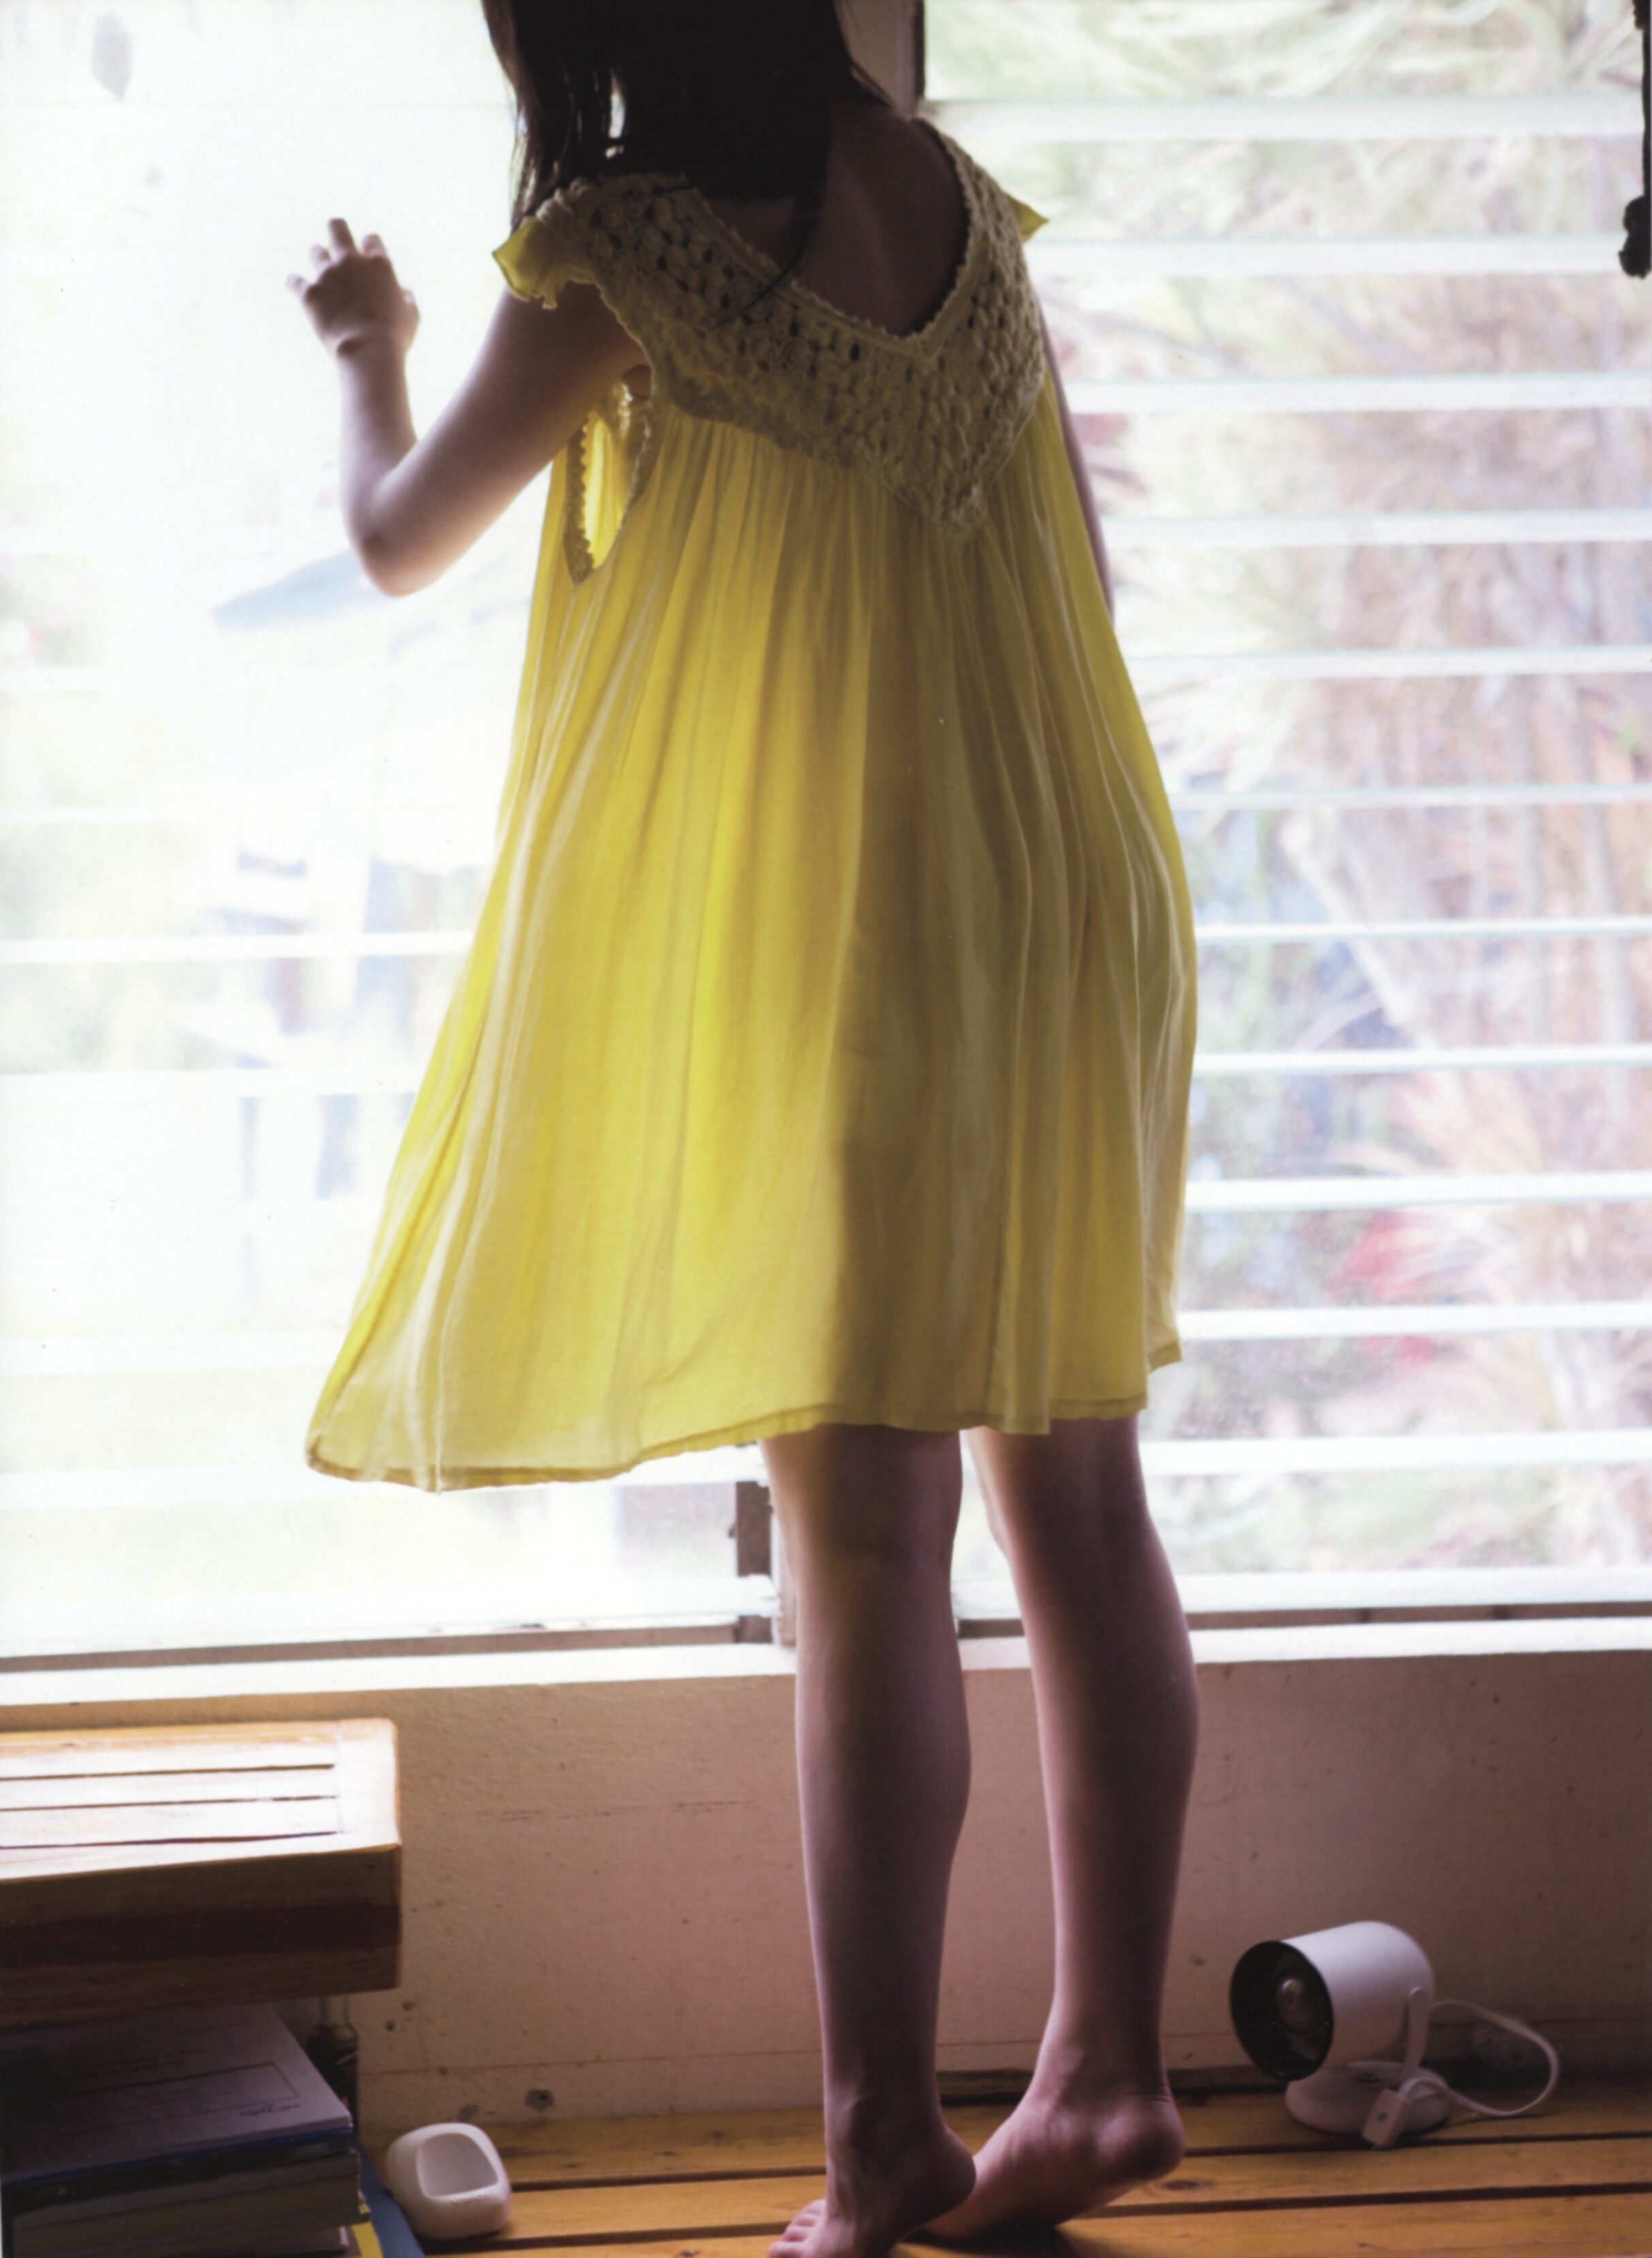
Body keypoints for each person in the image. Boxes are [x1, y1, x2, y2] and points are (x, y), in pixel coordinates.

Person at [291, 6, 1199, 2255]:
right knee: (1080, 1496)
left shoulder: (627, 254)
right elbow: (1074, 574)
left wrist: (369, 346)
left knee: (867, 1539)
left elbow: (401, 538)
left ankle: (883, 2136)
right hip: (1066, 872)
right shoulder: (957, 203)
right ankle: (1103, 2066)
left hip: (852, 917)